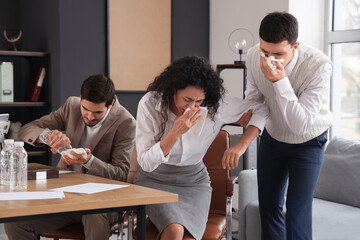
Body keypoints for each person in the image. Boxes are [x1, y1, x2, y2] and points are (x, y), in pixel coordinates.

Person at [133, 56, 269, 240]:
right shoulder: (150, 104)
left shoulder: (215, 105)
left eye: (199, 102)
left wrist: (241, 146)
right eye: (187, 99)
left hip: (194, 182)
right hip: (155, 180)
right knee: (175, 230)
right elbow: (147, 164)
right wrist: (175, 133)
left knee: (189, 237)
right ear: (173, 89)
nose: (192, 107)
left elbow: (261, 109)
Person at [5, 74, 136, 240]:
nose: (89, 116)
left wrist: (89, 161)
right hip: (64, 195)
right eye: (85, 109)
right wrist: (49, 136)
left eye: (97, 112)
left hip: (101, 202)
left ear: (111, 104)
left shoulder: (126, 122)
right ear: (81, 98)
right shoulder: (71, 106)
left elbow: (121, 174)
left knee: (93, 215)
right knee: (16, 223)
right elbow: (28, 129)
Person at [242, 12, 333, 240]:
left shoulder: (319, 65)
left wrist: (280, 81)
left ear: (296, 46)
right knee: (269, 207)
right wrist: (248, 111)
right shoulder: (254, 55)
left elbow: (300, 124)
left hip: (308, 141)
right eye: (266, 52)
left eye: (279, 54)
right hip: (273, 137)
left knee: (297, 212)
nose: (271, 60)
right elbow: (254, 97)